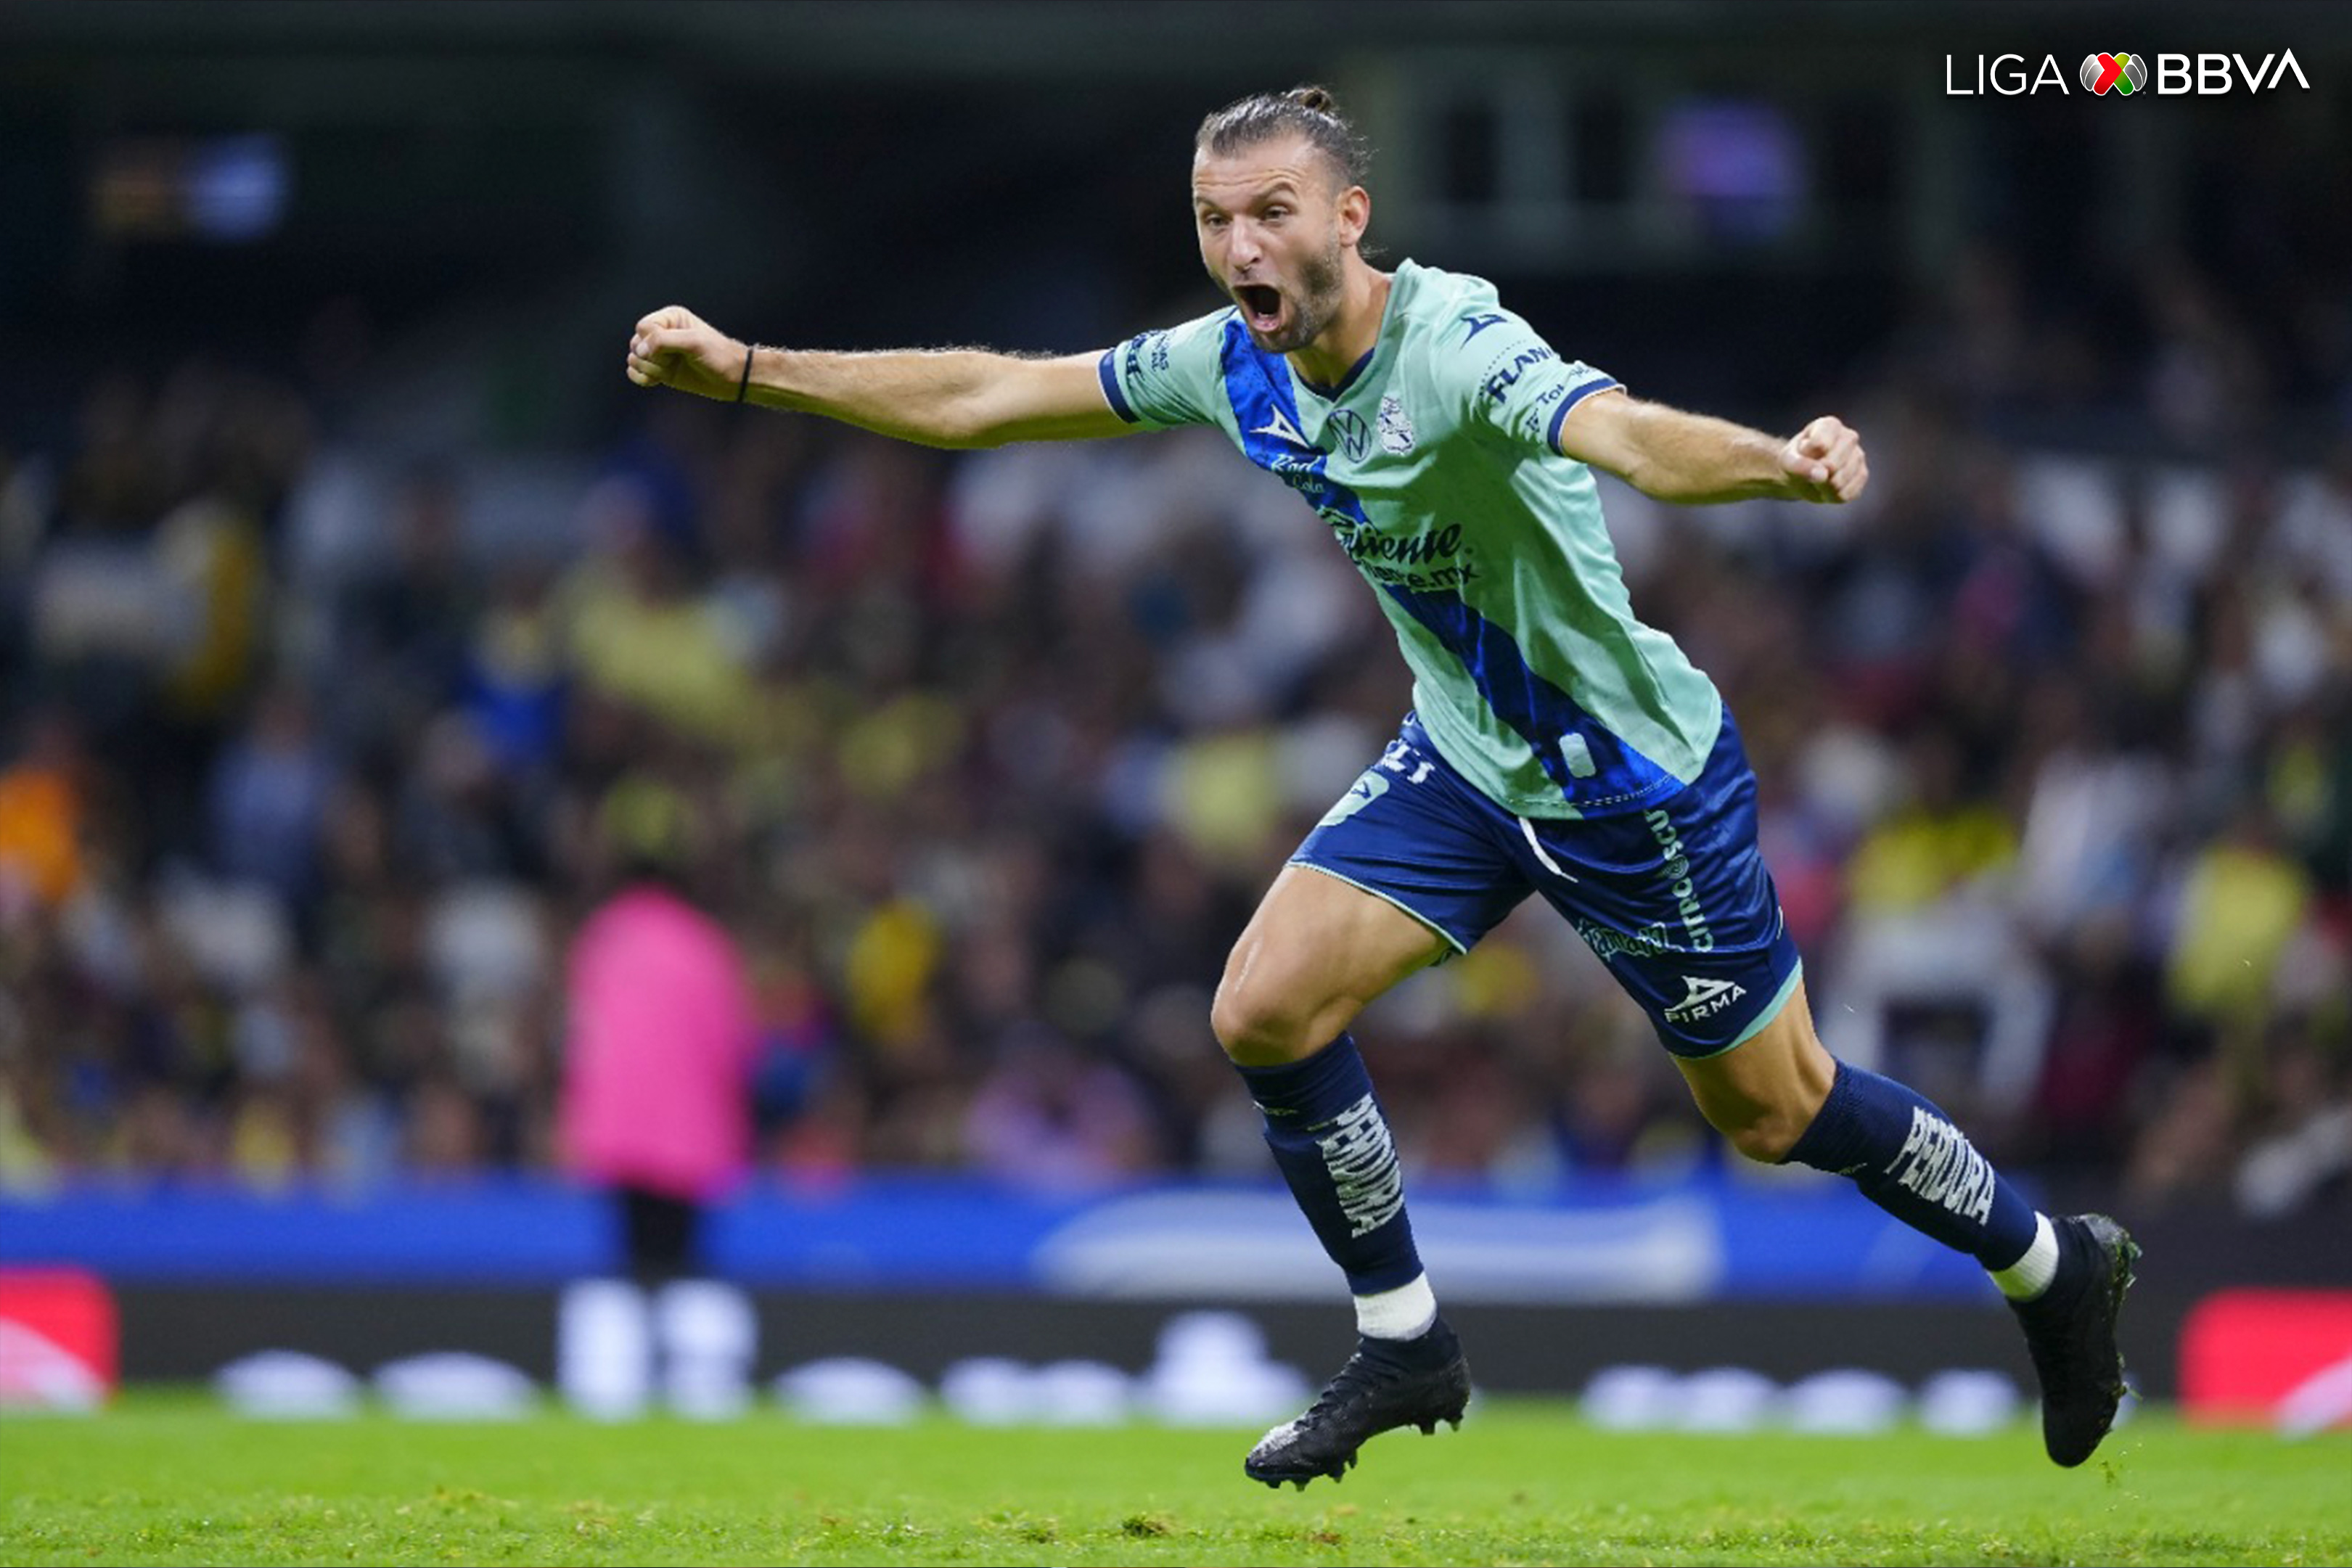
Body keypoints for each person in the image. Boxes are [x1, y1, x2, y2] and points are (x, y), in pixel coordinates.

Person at [621, 85, 2138, 1485]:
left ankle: (2052, 1266)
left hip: (1628, 787)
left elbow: (1626, 438)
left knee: (1776, 1108)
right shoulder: (1233, 365)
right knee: (1260, 1006)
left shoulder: (1460, 348)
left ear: (1350, 217)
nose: (1238, 245)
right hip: (1464, 760)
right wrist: (750, 371)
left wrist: (1778, 465)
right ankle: (1406, 1343)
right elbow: (985, 400)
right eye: (1215, 219)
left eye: (1270, 210)